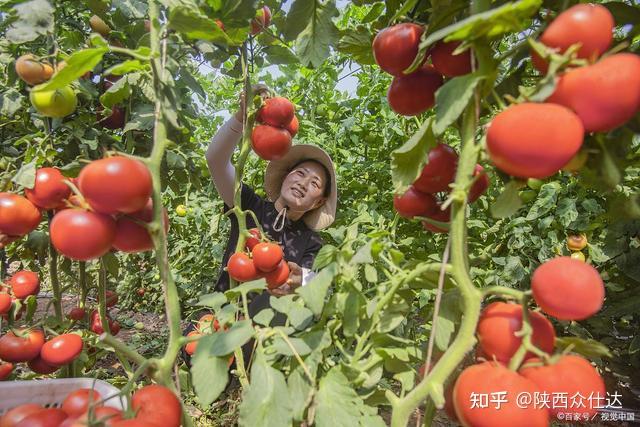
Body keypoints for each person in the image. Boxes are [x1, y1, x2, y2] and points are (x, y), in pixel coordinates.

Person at [205, 85, 338, 320]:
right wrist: (241, 117)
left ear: (318, 202)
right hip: (220, 321)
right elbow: (215, 159)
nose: (303, 183)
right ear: (286, 175)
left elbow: (321, 283)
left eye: (315, 184)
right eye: (300, 173)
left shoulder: (312, 242)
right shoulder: (249, 206)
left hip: (265, 339)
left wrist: (302, 281)